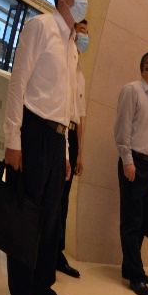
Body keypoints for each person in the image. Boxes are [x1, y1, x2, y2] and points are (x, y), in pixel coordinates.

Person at [2, 0, 87, 295]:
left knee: (51, 219)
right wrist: (13, 139)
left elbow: (66, 105)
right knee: (28, 216)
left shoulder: (72, 45)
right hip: (33, 131)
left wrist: (66, 153)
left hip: (56, 139)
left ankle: (42, 287)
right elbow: (18, 83)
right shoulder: (40, 27)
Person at [114, 51, 148, 295]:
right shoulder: (132, 90)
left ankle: (131, 267)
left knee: (144, 219)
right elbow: (123, 127)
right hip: (133, 162)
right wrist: (127, 160)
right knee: (132, 220)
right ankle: (136, 276)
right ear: (146, 67)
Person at [57, 19, 89, 278]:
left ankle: (57, 252)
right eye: (81, 31)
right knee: (53, 195)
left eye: (87, 32)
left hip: (72, 134)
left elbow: (80, 118)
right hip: (58, 131)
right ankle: (43, 249)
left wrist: (79, 153)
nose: (85, 36)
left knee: (64, 199)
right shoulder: (63, 64)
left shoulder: (81, 75)